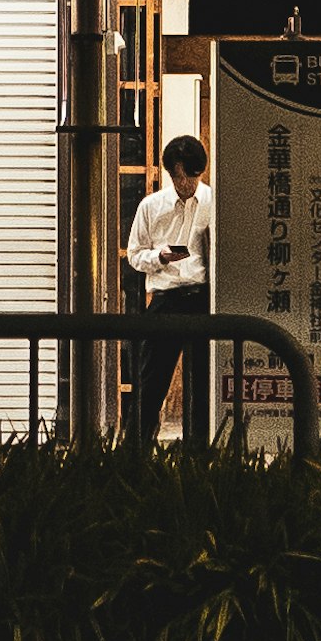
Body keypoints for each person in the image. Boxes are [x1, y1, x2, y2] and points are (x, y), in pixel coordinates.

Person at [123, 129, 212, 441]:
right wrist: (159, 257)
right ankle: (136, 448)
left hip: (204, 299)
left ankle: (198, 450)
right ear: (170, 172)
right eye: (179, 176)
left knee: (203, 381)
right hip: (165, 297)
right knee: (151, 380)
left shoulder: (214, 202)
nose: (185, 183)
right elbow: (134, 255)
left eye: (190, 175)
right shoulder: (152, 205)